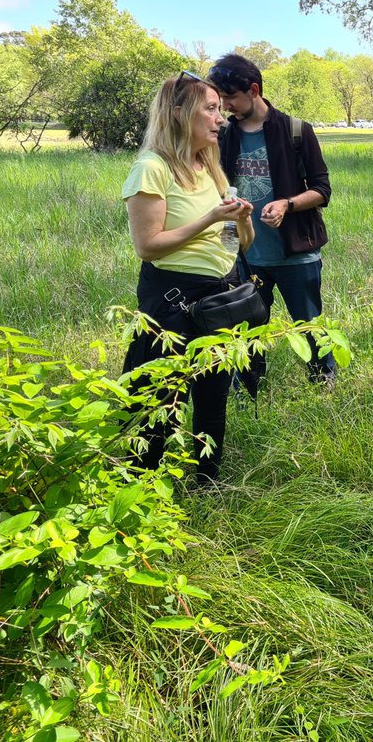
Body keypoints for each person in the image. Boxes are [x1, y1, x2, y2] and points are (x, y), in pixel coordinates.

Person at [121, 70, 255, 484]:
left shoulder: (209, 166)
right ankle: (144, 484)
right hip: (173, 300)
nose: (221, 117)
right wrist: (210, 217)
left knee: (214, 395)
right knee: (163, 395)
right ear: (179, 113)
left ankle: (207, 480)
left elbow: (237, 246)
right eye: (211, 109)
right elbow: (148, 245)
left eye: (220, 109)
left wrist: (242, 222)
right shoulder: (151, 167)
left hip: (218, 299)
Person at [209, 53, 335, 385]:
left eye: (231, 98)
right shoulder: (222, 135)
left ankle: (324, 382)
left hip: (296, 253)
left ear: (253, 90)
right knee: (246, 329)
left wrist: (286, 205)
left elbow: (322, 189)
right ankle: (248, 389)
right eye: (220, 100)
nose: (226, 106)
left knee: (309, 324)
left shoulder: (296, 130)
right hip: (243, 254)